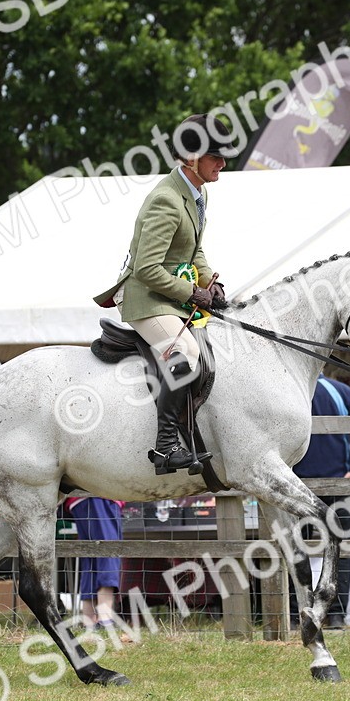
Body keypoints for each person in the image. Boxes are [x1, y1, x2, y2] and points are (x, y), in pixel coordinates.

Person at [94, 113, 236, 475]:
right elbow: (146, 268)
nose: (223, 163)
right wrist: (193, 293)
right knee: (185, 352)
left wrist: (209, 282)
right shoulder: (166, 200)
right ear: (191, 157)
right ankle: (166, 446)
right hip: (144, 296)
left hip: (168, 294)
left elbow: (194, 251)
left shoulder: (197, 192)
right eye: (215, 156)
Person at [291, 375, 350, 629]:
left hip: (299, 484)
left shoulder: (292, 387)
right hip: (332, 482)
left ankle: (299, 613)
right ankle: (334, 615)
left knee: (295, 549)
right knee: (338, 551)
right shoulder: (340, 390)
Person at [65, 497, 124, 630]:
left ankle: (89, 622)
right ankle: (105, 620)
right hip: (100, 494)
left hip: (80, 499)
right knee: (109, 552)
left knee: (91, 558)